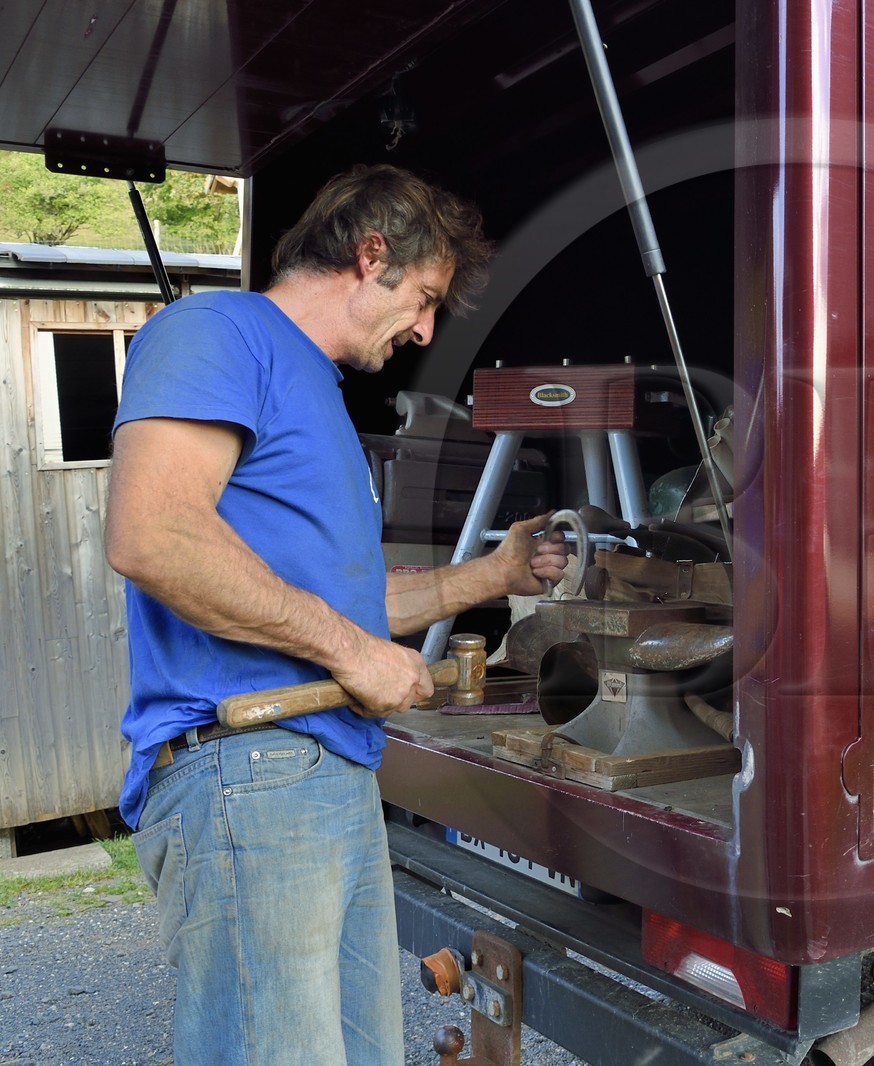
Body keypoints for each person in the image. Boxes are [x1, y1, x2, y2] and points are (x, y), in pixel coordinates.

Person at [104, 164, 566, 1065]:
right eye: (426, 297)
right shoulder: (218, 330)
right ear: (370, 255)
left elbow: (341, 604)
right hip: (247, 761)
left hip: (325, 776)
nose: (426, 328)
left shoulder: (316, 393)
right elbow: (153, 534)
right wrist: (352, 652)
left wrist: (492, 574)